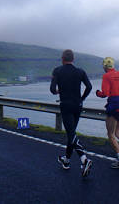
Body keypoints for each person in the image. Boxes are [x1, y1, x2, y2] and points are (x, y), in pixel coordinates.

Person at [50, 49, 93, 177]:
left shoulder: (57, 70)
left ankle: (84, 160)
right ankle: (67, 161)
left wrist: (59, 91)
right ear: (73, 59)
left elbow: (52, 90)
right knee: (71, 133)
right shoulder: (80, 71)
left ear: (63, 58)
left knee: (71, 133)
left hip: (66, 105)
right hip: (78, 105)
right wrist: (82, 98)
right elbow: (89, 87)